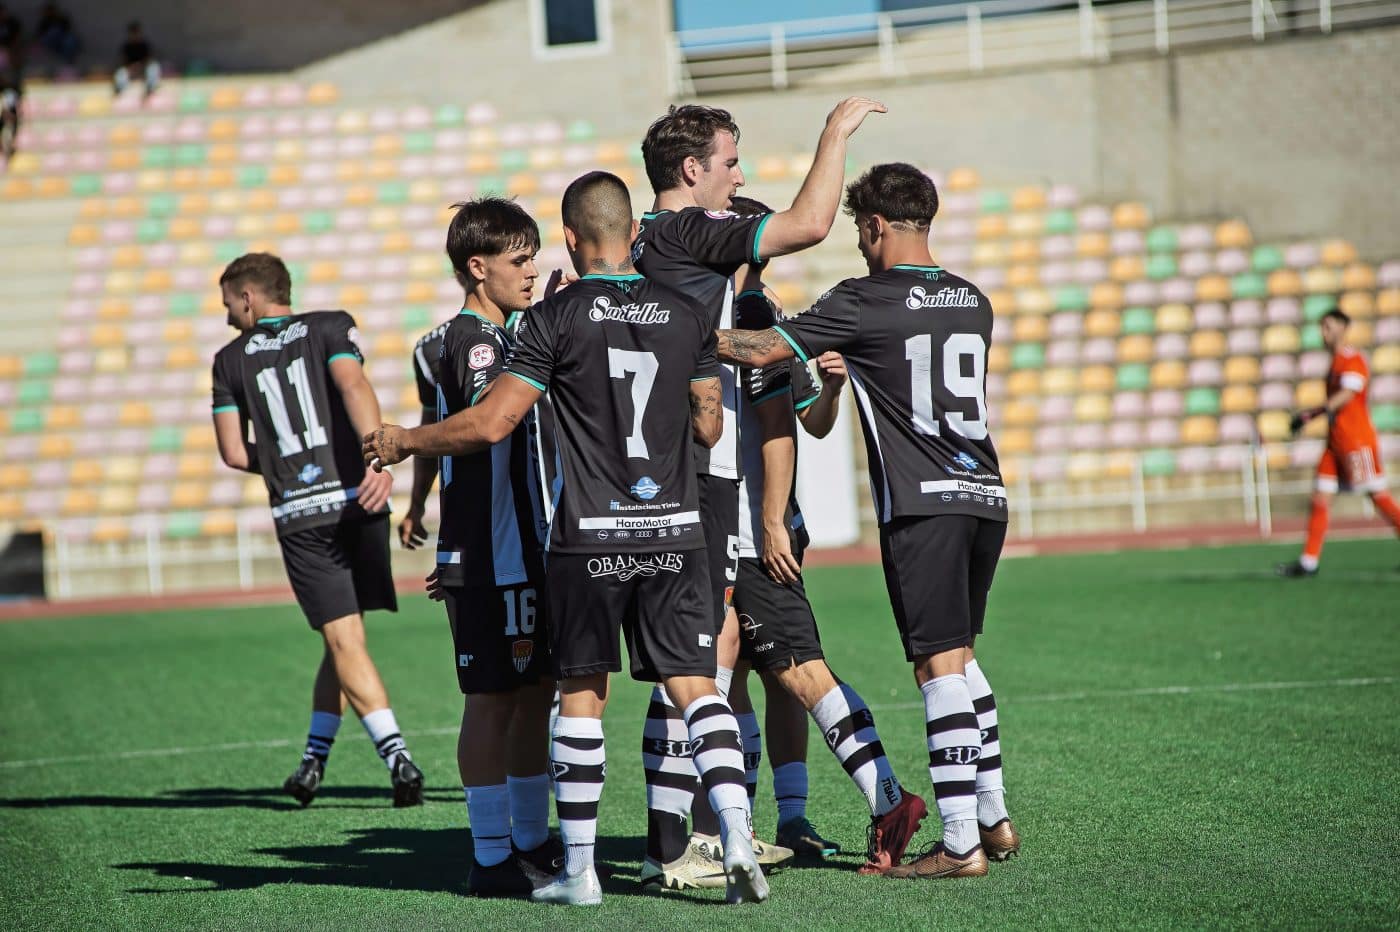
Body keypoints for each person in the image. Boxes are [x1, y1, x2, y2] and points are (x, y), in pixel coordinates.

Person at [363, 170, 768, 907]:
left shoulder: (553, 319)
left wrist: (402, 441)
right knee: (694, 685)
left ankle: (577, 870)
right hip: (675, 530)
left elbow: (494, 422)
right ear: (634, 234)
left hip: (588, 538)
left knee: (577, 694)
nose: (531, 269)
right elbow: (709, 427)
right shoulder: (684, 314)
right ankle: (735, 838)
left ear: (573, 240)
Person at [714, 163, 1022, 879]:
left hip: (922, 504)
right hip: (984, 494)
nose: (858, 241)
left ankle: (960, 843)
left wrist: (674, 334)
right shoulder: (974, 300)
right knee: (962, 658)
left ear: (877, 225)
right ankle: (992, 814)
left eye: (859, 228)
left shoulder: (861, 300)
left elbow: (762, 350)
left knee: (936, 666)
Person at [631, 95, 899, 887]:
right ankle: (706, 835)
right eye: (731, 162)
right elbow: (809, 224)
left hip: (672, 487)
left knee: (710, 662)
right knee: (732, 662)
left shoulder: (648, 250)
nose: (740, 177)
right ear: (693, 170)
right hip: (714, 495)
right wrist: (835, 133)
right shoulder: (695, 242)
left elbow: (792, 410)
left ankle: (712, 830)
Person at [721, 195, 922, 868]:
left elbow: (795, 422)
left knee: (790, 673)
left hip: (754, 531)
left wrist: (771, 521)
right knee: (744, 673)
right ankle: (748, 824)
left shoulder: (755, 317)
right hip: (744, 527)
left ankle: (866, 801)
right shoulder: (745, 312)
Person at [210, 252, 424, 809]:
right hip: (359, 498)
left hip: (302, 514)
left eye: (228, 303)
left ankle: (398, 757)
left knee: (343, 639)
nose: (227, 315)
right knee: (344, 638)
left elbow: (233, 453)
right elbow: (353, 386)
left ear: (249, 297)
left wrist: (284, 465)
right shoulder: (331, 325)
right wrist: (376, 459)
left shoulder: (228, 362)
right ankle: (313, 760)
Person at [421, 198, 560, 897]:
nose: (531, 271)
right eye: (518, 260)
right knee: (492, 700)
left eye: (534, 257)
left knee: (535, 693)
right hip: (490, 555)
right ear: (478, 268)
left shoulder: (506, 335)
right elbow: (483, 425)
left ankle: (531, 842)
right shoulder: (475, 341)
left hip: (523, 551)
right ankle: (490, 856)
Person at [1277, 309, 1400, 576]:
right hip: (1334, 443)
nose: (1323, 333)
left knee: (1378, 496)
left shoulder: (1352, 359)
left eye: (1328, 326)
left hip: (1357, 442)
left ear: (1343, 328)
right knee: (1320, 496)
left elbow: (1347, 395)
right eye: (1322, 327)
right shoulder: (1334, 363)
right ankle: (1309, 562)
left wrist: (1311, 414)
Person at [114, 20, 159, 99]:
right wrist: (131, 68)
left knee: (153, 68)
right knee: (121, 73)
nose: (135, 35)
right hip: (130, 70)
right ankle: (119, 92)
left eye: (136, 33)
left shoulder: (144, 45)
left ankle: (150, 89)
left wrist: (140, 66)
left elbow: (149, 60)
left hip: (143, 69)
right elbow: (123, 62)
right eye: (133, 33)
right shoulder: (126, 46)